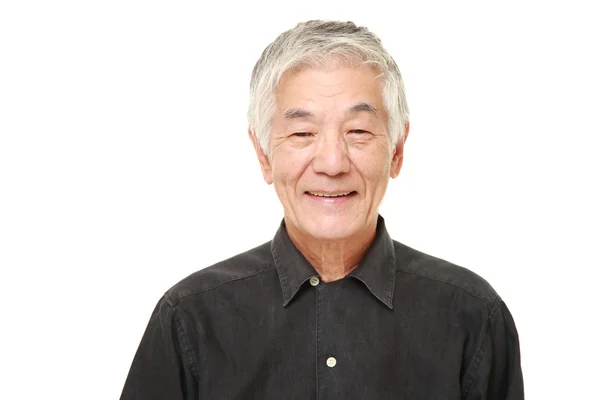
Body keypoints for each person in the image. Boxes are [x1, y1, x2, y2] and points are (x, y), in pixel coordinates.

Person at [120, 20, 524, 399]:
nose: (332, 163)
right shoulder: (190, 318)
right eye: (302, 133)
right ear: (263, 155)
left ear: (397, 150)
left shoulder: (472, 315)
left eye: (359, 131)